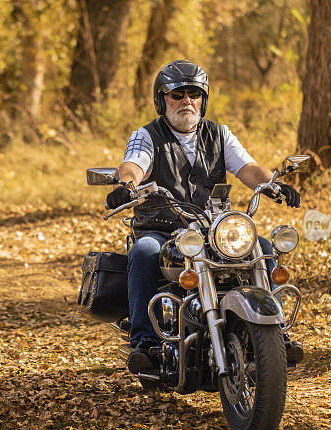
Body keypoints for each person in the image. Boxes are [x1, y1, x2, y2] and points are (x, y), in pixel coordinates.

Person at [105, 60, 303, 375]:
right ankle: (144, 343)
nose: (187, 101)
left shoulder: (219, 135)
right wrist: (125, 184)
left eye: (194, 94)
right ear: (162, 100)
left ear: (203, 99)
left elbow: (248, 168)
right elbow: (133, 165)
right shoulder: (146, 136)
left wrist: (273, 185)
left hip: (213, 227)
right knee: (144, 252)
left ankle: (274, 333)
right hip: (162, 227)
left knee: (262, 248)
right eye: (177, 94)